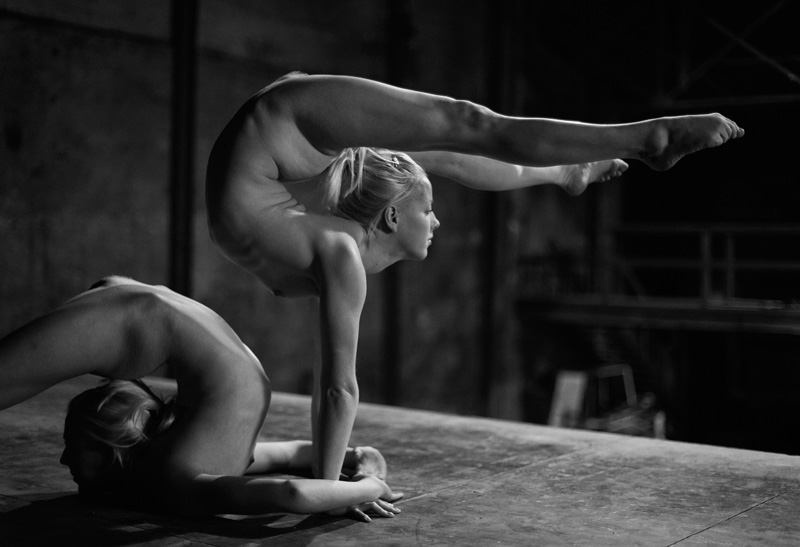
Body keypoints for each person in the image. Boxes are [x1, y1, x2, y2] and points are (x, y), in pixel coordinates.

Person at [204, 71, 744, 483]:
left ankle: (641, 140)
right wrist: (327, 490)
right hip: (285, 134)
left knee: (463, 130)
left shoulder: (324, 238)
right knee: (452, 140)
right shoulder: (332, 243)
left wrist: (326, 488)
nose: (437, 221)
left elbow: (334, 387)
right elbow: (335, 387)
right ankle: (586, 162)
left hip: (288, 124)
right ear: (389, 219)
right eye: (428, 212)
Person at [0, 276, 402, 522]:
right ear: (112, 447)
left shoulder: (186, 459)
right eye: (72, 444)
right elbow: (291, 488)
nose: (63, 459)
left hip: (137, 310)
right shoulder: (182, 472)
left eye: (70, 446)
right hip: (137, 314)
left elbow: (293, 467)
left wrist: (361, 467)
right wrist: (367, 484)